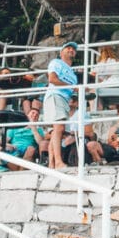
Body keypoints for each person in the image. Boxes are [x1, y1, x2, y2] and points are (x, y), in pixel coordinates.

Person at [42, 41, 79, 170]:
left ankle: (52, 164)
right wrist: (73, 87)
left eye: (73, 49)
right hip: (55, 96)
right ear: (61, 52)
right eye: (67, 48)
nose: (71, 50)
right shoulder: (56, 63)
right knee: (58, 129)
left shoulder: (73, 75)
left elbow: (73, 89)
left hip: (64, 100)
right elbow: (52, 79)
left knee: (58, 131)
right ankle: (58, 162)